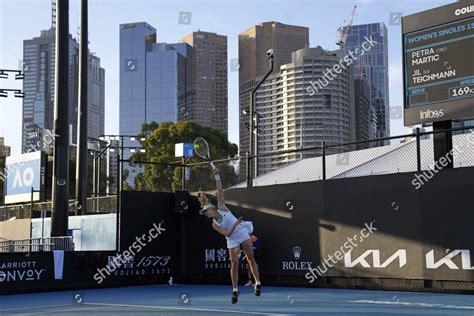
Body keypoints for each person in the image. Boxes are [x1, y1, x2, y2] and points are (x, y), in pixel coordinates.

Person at [198, 167, 261, 304]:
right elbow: (227, 233)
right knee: (234, 263)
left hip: (242, 232)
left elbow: (219, 191)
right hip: (232, 238)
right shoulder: (214, 225)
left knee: (250, 258)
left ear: (211, 208)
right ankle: (235, 290)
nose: (206, 214)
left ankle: (257, 283)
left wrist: (217, 177)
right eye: (204, 214)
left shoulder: (221, 206)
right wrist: (236, 223)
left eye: (206, 211)